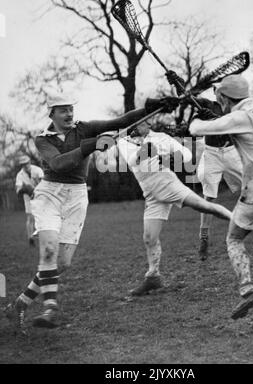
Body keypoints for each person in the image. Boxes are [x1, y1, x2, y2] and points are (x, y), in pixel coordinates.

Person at [6, 90, 180, 332]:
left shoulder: (83, 128)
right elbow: (59, 163)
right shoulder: (43, 139)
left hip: (77, 197)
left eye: (70, 109)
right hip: (49, 194)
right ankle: (50, 308)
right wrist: (92, 145)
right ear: (52, 113)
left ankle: (21, 302)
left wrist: (150, 108)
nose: (68, 113)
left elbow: (118, 122)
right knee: (48, 250)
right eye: (62, 109)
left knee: (63, 263)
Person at [188, 74, 253, 331]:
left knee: (234, 239)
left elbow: (195, 129)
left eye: (219, 96)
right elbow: (229, 124)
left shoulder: (238, 118)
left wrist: (197, 118)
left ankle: (248, 291)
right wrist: (215, 117)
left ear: (224, 97)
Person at [114, 119, 232, 296]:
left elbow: (186, 154)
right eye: (138, 123)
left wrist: (172, 157)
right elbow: (132, 161)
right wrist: (144, 151)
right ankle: (153, 277)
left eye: (145, 123)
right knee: (149, 237)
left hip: (167, 184)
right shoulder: (123, 140)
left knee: (204, 206)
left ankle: (240, 219)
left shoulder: (161, 138)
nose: (141, 126)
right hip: (151, 194)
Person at [193, 95, 253, 261]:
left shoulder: (238, 109)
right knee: (209, 197)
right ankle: (204, 239)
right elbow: (189, 98)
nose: (221, 96)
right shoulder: (208, 104)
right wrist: (180, 86)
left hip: (231, 153)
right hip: (211, 154)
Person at [15, 155, 43, 247]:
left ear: (30, 162)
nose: (25, 165)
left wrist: (36, 188)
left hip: (40, 196)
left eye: (26, 163)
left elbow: (43, 182)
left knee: (41, 217)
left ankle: (41, 235)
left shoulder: (37, 170)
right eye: (23, 164)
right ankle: (30, 238)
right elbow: (18, 190)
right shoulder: (20, 175)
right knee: (30, 217)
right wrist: (25, 189)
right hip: (29, 198)